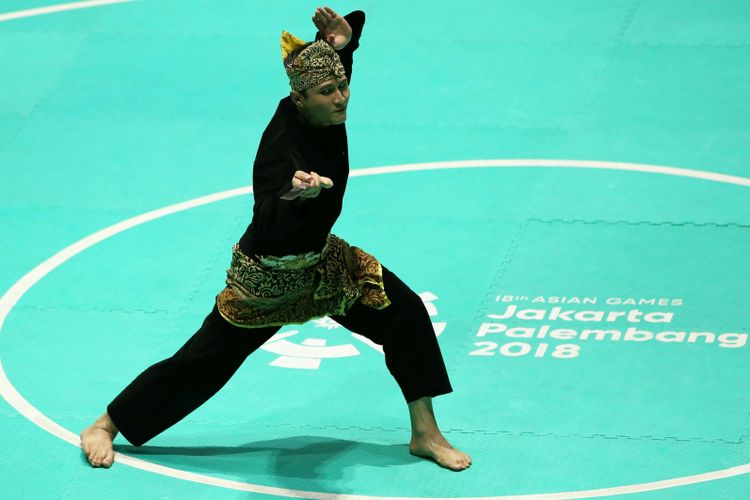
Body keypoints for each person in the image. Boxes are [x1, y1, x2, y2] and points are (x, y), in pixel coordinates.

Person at [81, 6, 471, 472]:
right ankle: (106, 424)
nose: (342, 97)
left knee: (404, 313)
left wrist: (345, 45)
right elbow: (266, 217)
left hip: (324, 266)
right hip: (267, 278)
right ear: (301, 98)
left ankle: (425, 433)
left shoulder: (323, 102)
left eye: (343, 85)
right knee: (205, 362)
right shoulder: (281, 147)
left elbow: (334, 70)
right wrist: (294, 194)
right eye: (329, 91)